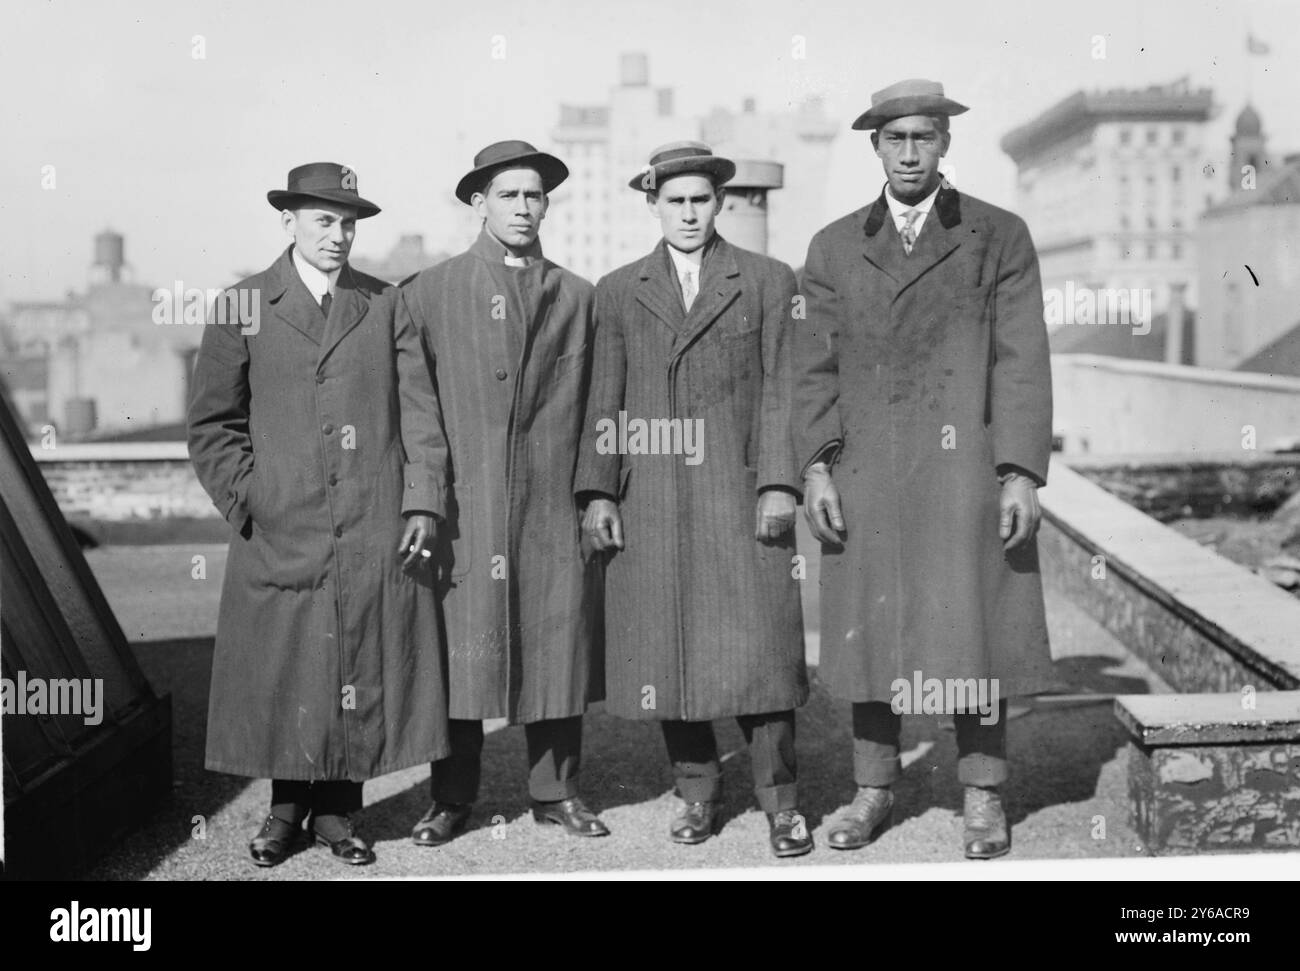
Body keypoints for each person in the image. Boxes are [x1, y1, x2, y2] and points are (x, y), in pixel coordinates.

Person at [792, 80, 1057, 860]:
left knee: (971, 630)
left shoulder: (997, 235)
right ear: (874, 145)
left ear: (946, 144)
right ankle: (873, 788)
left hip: (964, 472)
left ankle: (982, 794)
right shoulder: (833, 247)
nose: (909, 151)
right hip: (866, 473)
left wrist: (1019, 472)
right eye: (895, 138)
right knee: (872, 634)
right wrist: (814, 466)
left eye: (924, 137)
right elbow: (811, 368)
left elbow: (1021, 361)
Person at [188, 162, 449, 867]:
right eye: (325, 220)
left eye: (349, 222)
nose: (339, 235)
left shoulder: (386, 302)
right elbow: (213, 424)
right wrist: (253, 496)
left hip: (370, 521)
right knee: (287, 663)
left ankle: (338, 813)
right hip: (281, 523)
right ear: (289, 221)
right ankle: (284, 812)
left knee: (354, 657)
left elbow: (421, 413)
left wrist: (421, 496)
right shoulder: (243, 303)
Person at [577, 142, 812, 858]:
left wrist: (779, 481)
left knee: (761, 653)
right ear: (652, 203)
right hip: (651, 497)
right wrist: (597, 490)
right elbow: (604, 398)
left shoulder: (768, 280)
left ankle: (782, 804)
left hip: (738, 495)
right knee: (667, 652)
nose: (687, 213)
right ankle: (696, 792)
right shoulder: (617, 290)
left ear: (719, 203)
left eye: (700, 200)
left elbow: (785, 388)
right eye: (673, 201)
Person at [401, 141, 608, 844]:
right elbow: (417, 409)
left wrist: (593, 494)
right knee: (462, 650)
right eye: (509, 195)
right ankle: (451, 797)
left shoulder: (578, 297)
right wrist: (425, 499)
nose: (524, 207)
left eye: (535, 195)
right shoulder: (430, 292)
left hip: (551, 506)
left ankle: (556, 790)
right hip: (468, 506)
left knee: (556, 642)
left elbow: (598, 408)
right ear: (478, 203)